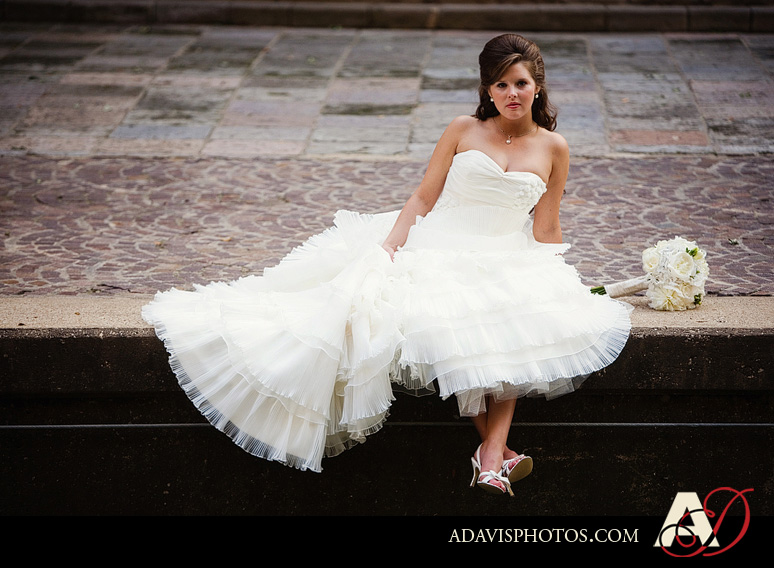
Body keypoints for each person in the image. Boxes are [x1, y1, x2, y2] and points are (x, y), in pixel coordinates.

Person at [142, 34, 632, 496]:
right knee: (441, 328)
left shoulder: (554, 147)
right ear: (486, 87)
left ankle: (489, 456)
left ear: (537, 86)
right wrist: (390, 247)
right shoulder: (464, 129)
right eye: (500, 84)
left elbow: (546, 226)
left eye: (520, 83)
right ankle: (495, 454)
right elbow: (424, 196)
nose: (510, 93)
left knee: (517, 327)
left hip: (507, 254)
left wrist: (560, 277)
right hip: (439, 245)